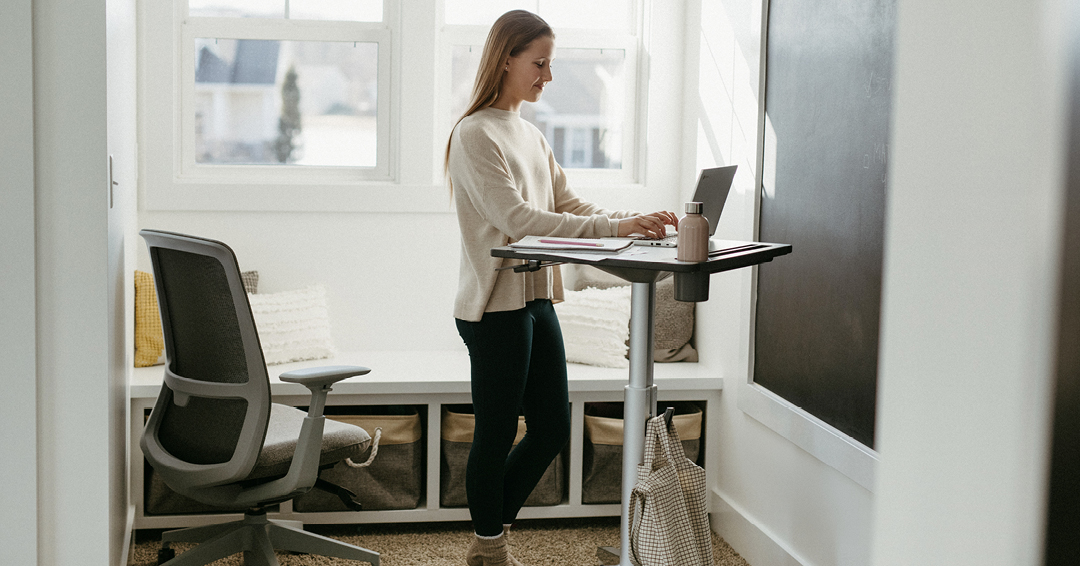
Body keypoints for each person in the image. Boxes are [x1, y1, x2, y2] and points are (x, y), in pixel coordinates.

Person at [445, 10, 677, 566]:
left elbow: (568, 207)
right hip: (494, 306)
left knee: (552, 427)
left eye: (551, 63)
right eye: (539, 63)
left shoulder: (528, 133)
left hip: (536, 296)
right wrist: (613, 229)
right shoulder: (474, 135)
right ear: (506, 60)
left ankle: (486, 539)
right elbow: (519, 218)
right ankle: (491, 547)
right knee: (497, 432)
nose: (548, 76)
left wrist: (631, 219)